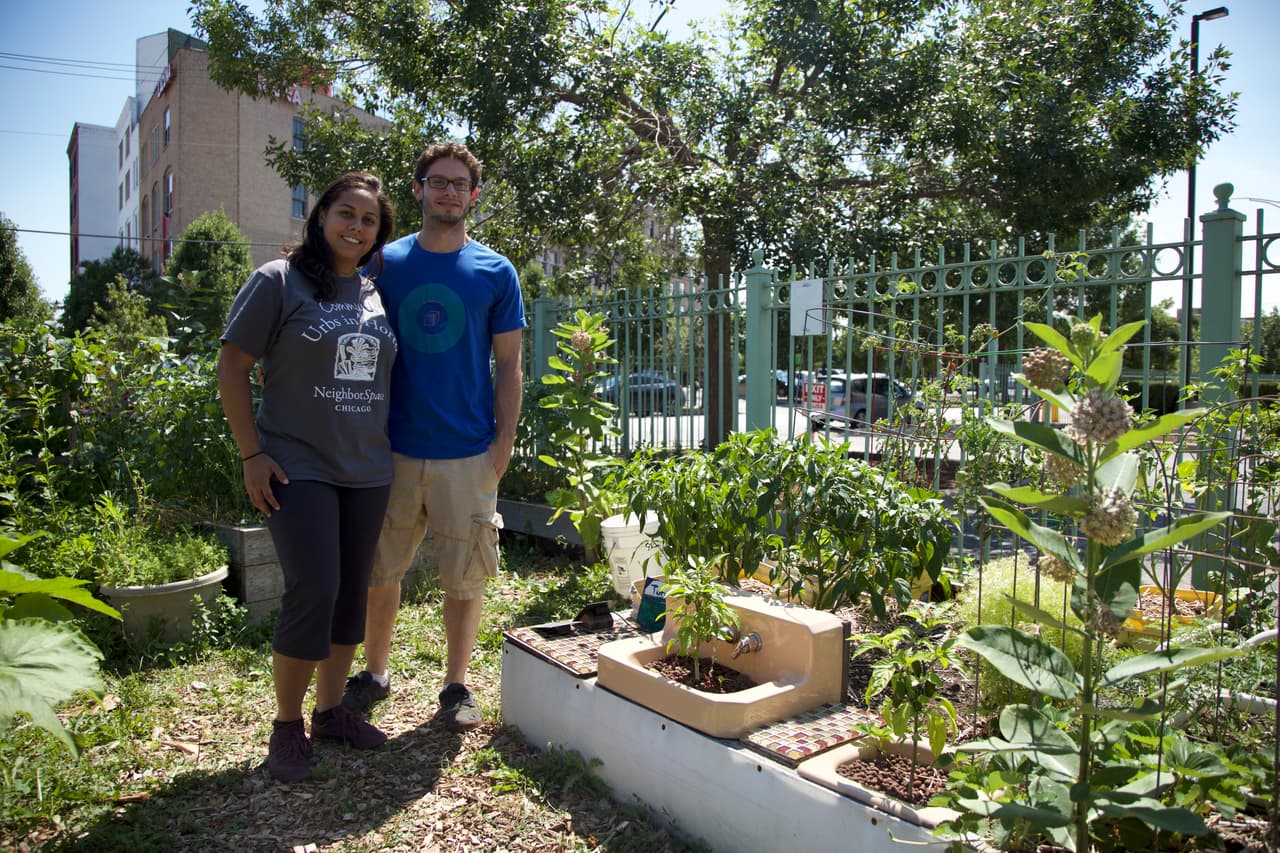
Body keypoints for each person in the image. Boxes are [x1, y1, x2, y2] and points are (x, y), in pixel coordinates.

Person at [218, 171, 398, 782]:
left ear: (378, 233)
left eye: (369, 220)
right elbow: (233, 365)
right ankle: (287, 725)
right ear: (321, 216)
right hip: (297, 464)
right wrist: (252, 454)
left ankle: (330, 712)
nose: (357, 226)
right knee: (314, 588)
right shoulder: (277, 281)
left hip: (368, 469)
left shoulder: (375, 293)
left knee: (351, 593)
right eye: (347, 213)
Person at [341, 141, 525, 732]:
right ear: (417, 189)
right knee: (378, 571)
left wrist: (503, 443)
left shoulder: (497, 272)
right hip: (388, 448)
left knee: (465, 577)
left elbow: (511, 366)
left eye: (459, 184)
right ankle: (374, 674)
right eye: (437, 181)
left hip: (468, 454)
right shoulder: (383, 263)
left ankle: (456, 685)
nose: (449, 192)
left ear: (473, 196)